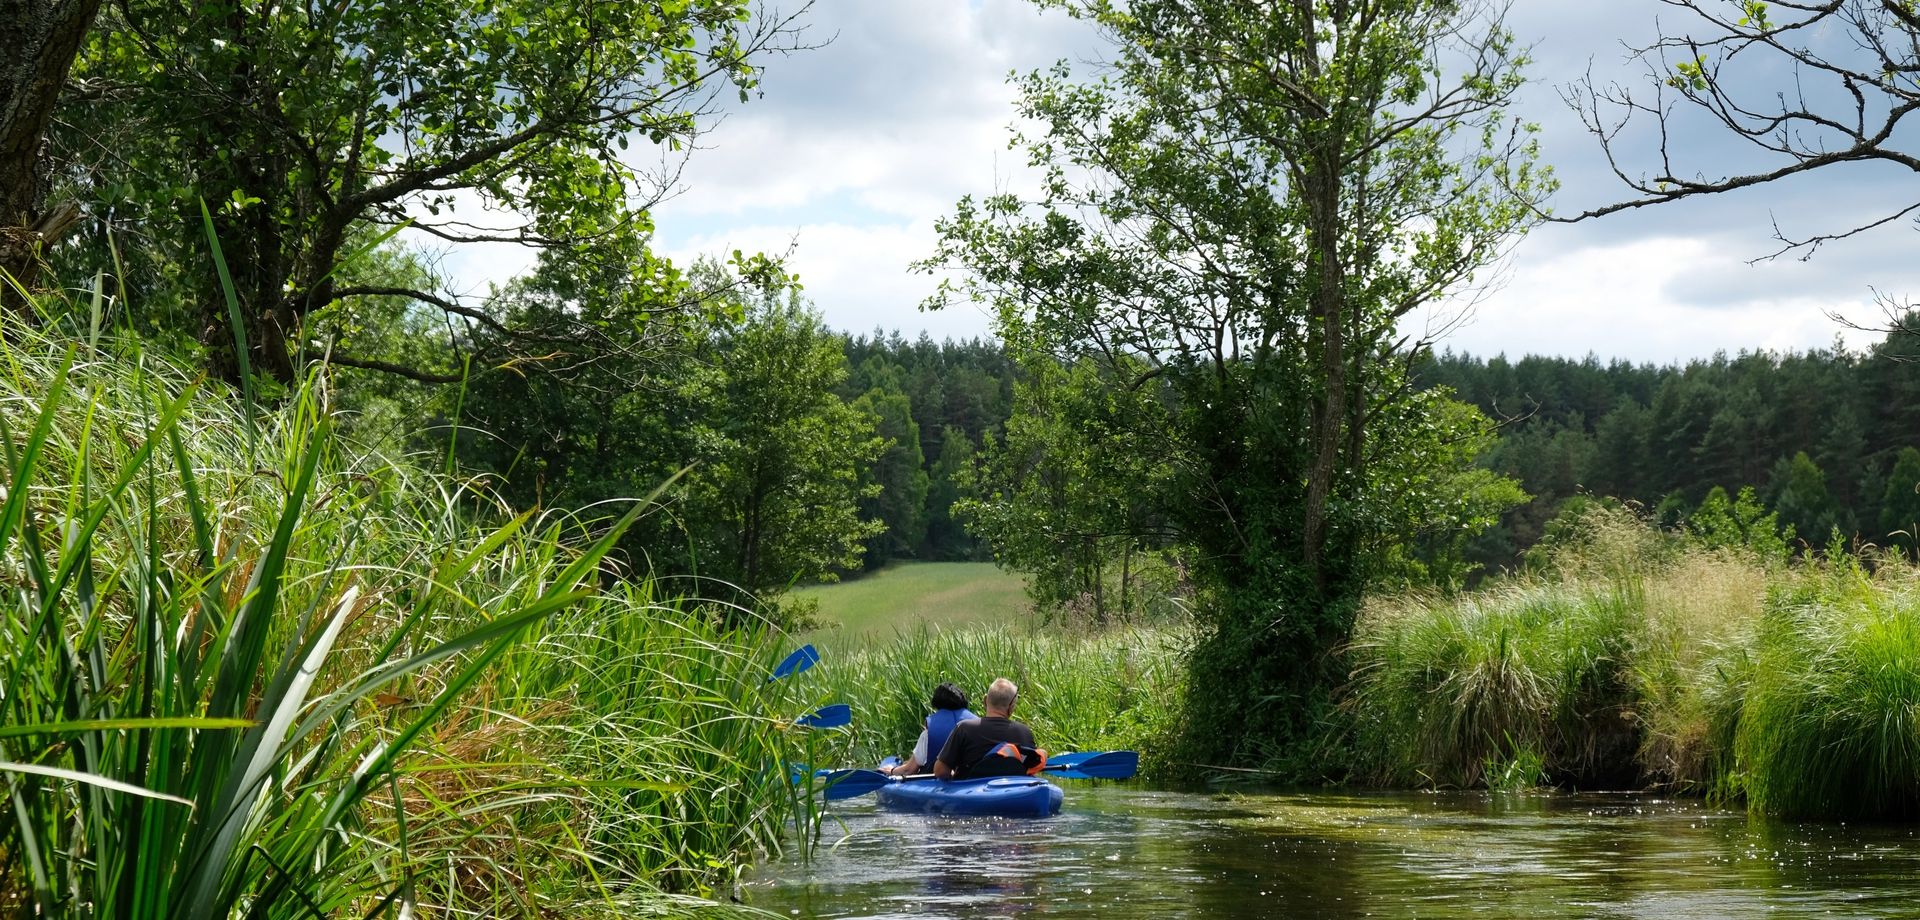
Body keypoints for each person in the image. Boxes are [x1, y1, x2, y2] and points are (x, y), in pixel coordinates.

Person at [933, 677, 1043, 780]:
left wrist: (954, 775)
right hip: (1015, 790)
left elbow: (940, 771)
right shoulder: (1025, 732)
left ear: (985, 700)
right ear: (1012, 706)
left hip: (972, 790)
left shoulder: (964, 728)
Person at [884, 682, 975, 777]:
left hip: (938, 781)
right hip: (972, 778)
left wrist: (891, 770)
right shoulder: (978, 727)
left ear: (937, 704)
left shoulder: (928, 734)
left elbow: (909, 770)